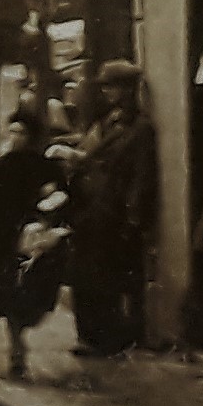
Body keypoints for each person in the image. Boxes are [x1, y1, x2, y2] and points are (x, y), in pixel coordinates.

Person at [0, 97, 72, 381]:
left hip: (35, 241)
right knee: (8, 295)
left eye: (21, 133)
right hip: (5, 241)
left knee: (32, 295)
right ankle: (16, 347)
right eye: (12, 132)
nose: (15, 138)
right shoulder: (2, 166)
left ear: (31, 137)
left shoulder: (44, 167)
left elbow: (59, 198)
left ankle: (19, 335)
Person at [70, 61, 161, 358]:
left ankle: (113, 339)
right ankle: (92, 337)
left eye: (113, 87)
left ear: (129, 90)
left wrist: (133, 218)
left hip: (116, 213)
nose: (108, 93)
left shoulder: (141, 129)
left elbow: (141, 176)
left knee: (112, 278)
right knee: (89, 275)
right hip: (93, 209)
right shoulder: (107, 122)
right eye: (105, 87)